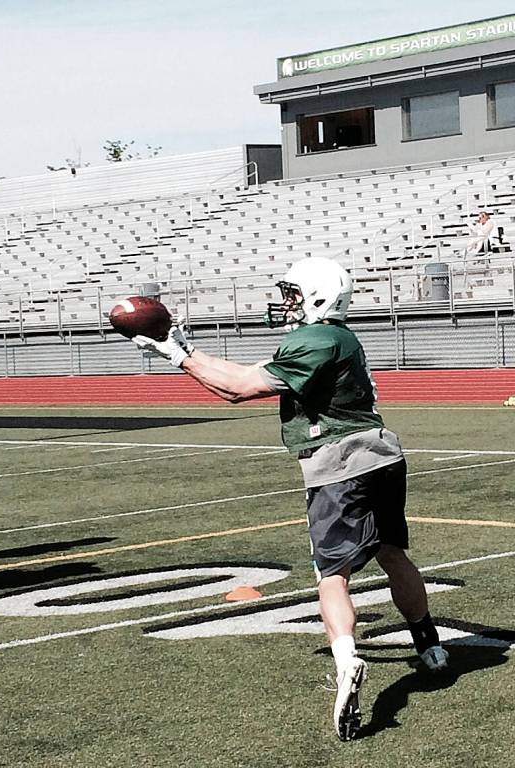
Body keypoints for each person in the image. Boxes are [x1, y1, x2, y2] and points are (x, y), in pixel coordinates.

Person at [130, 256, 448, 741]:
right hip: (382, 454)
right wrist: (183, 346)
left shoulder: (314, 338)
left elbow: (237, 389)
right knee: (391, 553)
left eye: (294, 293)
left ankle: (347, 660)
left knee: (331, 575)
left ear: (318, 294)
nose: (287, 302)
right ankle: (429, 645)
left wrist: (175, 357)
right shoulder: (337, 337)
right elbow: (249, 371)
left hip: (339, 463)